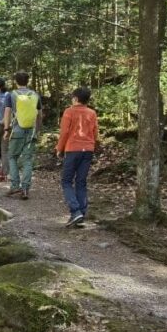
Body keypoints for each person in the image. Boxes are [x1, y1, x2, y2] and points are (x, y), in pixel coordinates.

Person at [56, 87, 98, 227]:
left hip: (73, 148)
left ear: (75, 98)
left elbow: (64, 133)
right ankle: (81, 213)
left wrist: (59, 149)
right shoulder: (92, 113)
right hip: (88, 150)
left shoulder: (69, 111)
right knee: (81, 181)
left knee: (66, 181)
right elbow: (95, 132)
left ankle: (75, 211)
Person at [2, 71, 41, 200]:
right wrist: (38, 131)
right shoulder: (35, 95)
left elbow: (7, 113)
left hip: (17, 130)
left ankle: (14, 186)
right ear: (27, 81)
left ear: (16, 81)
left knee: (12, 157)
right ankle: (25, 189)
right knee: (28, 160)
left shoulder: (11, 95)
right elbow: (39, 114)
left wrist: (6, 129)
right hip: (31, 131)